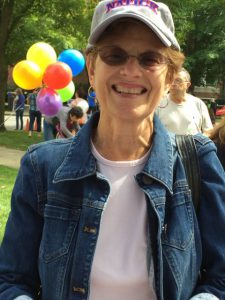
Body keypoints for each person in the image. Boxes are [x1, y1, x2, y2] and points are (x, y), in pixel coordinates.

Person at [0, 1, 225, 300]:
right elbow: (11, 280)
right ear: (92, 69)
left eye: (150, 59)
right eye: (115, 55)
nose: (131, 70)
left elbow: (220, 278)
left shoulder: (198, 161)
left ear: (170, 76)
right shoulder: (42, 167)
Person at [156, 68, 213, 135]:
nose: (173, 84)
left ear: (187, 85)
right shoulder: (158, 103)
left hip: (193, 144)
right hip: (166, 144)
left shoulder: (198, 104)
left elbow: (208, 131)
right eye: (171, 80)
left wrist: (200, 143)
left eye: (178, 80)